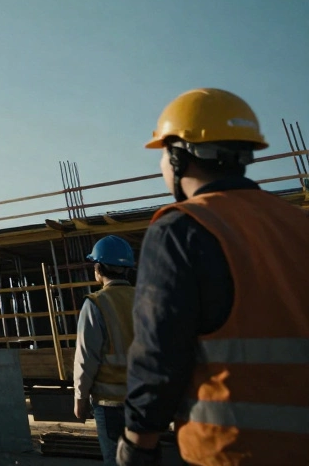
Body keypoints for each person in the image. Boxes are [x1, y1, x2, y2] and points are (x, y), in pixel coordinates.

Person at [118, 88, 309, 466]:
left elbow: (159, 354)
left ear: (178, 154)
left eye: (162, 153)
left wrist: (138, 441)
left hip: (231, 449)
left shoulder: (182, 228)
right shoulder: (298, 223)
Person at [73, 235, 137, 466]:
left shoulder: (96, 303)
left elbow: (86, 357)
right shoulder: (147, 299)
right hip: (145, 401)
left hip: (110, 405)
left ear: (98, 268)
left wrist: (80, 397)